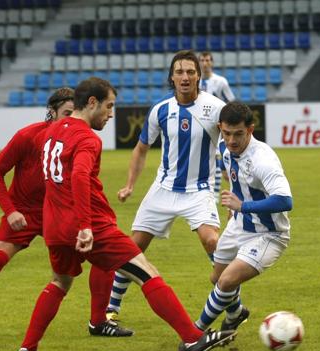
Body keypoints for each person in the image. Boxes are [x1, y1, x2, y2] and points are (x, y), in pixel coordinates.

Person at [16, 77, 235, 351]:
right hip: (90, 224)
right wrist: (84, 225)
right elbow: (80, 177)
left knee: (59, 282)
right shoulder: (87, 138)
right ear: (91, 103)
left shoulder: (53, 130)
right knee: (147, 272)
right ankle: (193, 338)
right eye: (108, 106)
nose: (110, 114)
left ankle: (27, 348)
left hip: (55, 225)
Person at [104, 50, 226, 322]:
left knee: (212, 241)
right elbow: (141, 149)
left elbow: (231, 146)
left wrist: (234, 180)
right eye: (179, 72)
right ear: (171, 77)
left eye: (190, 72)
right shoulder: (160, 110)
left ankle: (232, 304)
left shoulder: (215, 108)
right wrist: (129, 185)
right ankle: (112, 307)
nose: (185, 77)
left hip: (200, 189)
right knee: (133, 248)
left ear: (198, 76)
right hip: (163, 188)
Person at [0, 88, 74, 338]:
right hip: (25, 213)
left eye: (74, 115)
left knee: (101, 258)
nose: (70, 120)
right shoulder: (28, 136)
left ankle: (100, 321)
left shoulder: (77, 140)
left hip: (59, 213)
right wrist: (10, 211)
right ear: (51, 113)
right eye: (66, 114)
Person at [191, 102, 293, 331]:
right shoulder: (226, 147)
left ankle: (195, 332)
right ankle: (236, 313)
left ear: (250, 130)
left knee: (227, 281)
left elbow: (286, 200)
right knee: (217, 279)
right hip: (239, 226)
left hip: (269, 234)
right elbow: (234, 176)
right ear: (220, 128)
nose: (231, 140)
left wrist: (242, 206)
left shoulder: (263, 160)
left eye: (238, 134)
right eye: (226, 134)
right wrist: (234, 207)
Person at [199, 51, 236, 204]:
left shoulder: (221, 82)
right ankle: (207, 191)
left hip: (218, 126)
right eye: (202, 60)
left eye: (207, 60)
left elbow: (231, 102)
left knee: (219, 157)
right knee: (206, 159)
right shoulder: (196, 82)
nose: (205, 63)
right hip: (201, 125)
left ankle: (215, 195)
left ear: (212, 63)